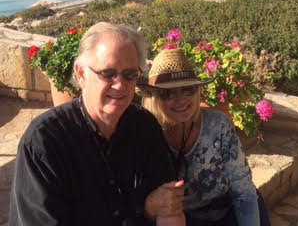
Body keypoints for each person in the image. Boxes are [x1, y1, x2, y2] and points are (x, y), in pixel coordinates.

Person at [9, 22, 185, 226]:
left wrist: (149, 207)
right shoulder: (45, 142)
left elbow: (168, 206)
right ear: (82, 74)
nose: (120, 85)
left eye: (130, 75)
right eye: (108, 73)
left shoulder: (144, 126)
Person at [139, 48, 271, 226]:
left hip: (229, 213)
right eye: (168, 93)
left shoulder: (218, 126)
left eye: (188, 90)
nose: (181, 99)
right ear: (154, 97)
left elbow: (243, 192)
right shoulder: (145, 135)